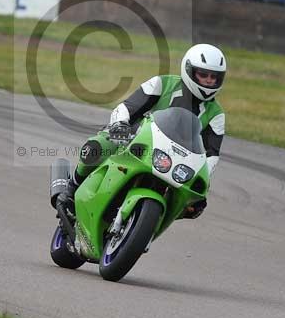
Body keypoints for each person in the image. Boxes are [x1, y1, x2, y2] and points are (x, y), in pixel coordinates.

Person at [59, 44, 227, 219]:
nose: (209, 81)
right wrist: (120, 125)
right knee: (97, 147)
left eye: (214, 77)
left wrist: (204, 177)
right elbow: (127, 107)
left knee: (195, 204)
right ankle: (71, 188)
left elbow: (212, 155)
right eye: (203, 74)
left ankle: (146, 229)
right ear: (188, 70)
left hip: (175, 162)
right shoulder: (162, 83)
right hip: (135, 141)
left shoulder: (217, 115)